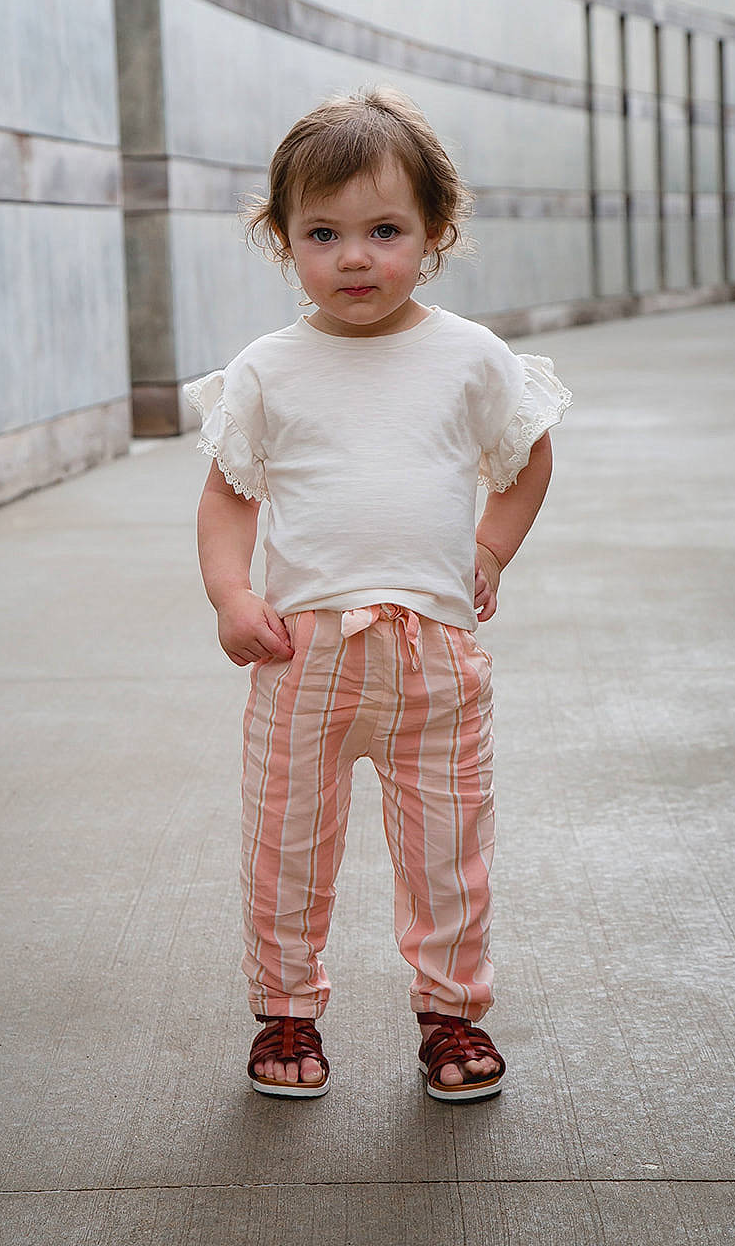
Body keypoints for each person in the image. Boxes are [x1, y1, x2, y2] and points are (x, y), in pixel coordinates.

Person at [185, 86, 570, 1102]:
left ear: (434, 233)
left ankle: (449, 1014)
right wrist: (231, 593)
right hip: (298, 650)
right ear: (282, 240)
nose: (354, 256)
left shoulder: (468, 357)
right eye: (323, 232)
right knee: (285, 840)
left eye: (384, 230)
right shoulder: (267, 370)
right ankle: (285, 1013)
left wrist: (489, 547)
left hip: (433, 657)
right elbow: (226, 499)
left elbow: (524, 458)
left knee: (448, 847)